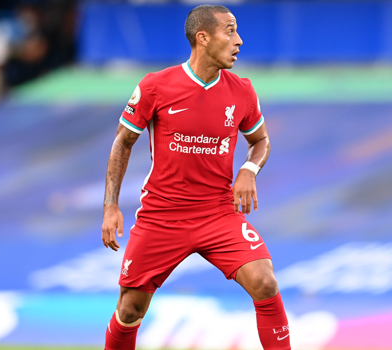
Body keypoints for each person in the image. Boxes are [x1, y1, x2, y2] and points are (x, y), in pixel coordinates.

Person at [101, 4, 290, 349]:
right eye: (230, 31)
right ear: (203, 38)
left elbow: (260, 141)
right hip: (163, 215)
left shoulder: (242, 91)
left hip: (217, 213)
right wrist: (110, 207)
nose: (240, 41)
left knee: (264, 281)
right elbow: (122, 142)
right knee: (129, 310)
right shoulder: (156, 86)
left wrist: (248, 169)